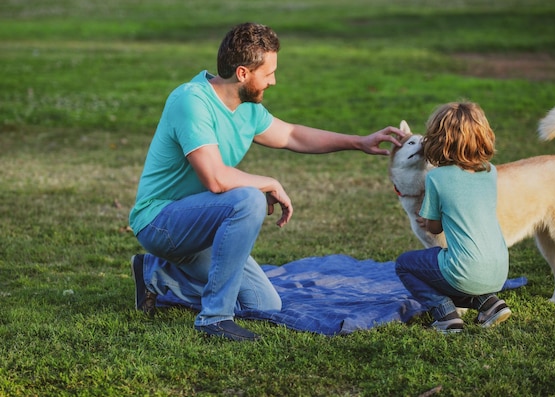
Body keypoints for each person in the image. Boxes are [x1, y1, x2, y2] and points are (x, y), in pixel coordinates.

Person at [129, 22, 406, 341]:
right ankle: (214, 319)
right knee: (247, 199)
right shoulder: (191, 101)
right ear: (243, 73)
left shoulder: (247, 108)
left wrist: (358, 141)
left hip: (199, 227)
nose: (273, 80)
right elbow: (216, 179)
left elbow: (292, 134)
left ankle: (156, 273)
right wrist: (268, 182)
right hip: (160, 222)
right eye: (268, 73)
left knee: (266, 303)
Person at [395, 101, 511, 334]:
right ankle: (488, 302)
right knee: (451, 263)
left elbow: (435, 228)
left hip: (466, 271)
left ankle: (445, 314)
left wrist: (427, 221)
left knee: (405, 264)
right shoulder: (490, 171)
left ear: (437, 140)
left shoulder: (437, 178)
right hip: (500, 271)